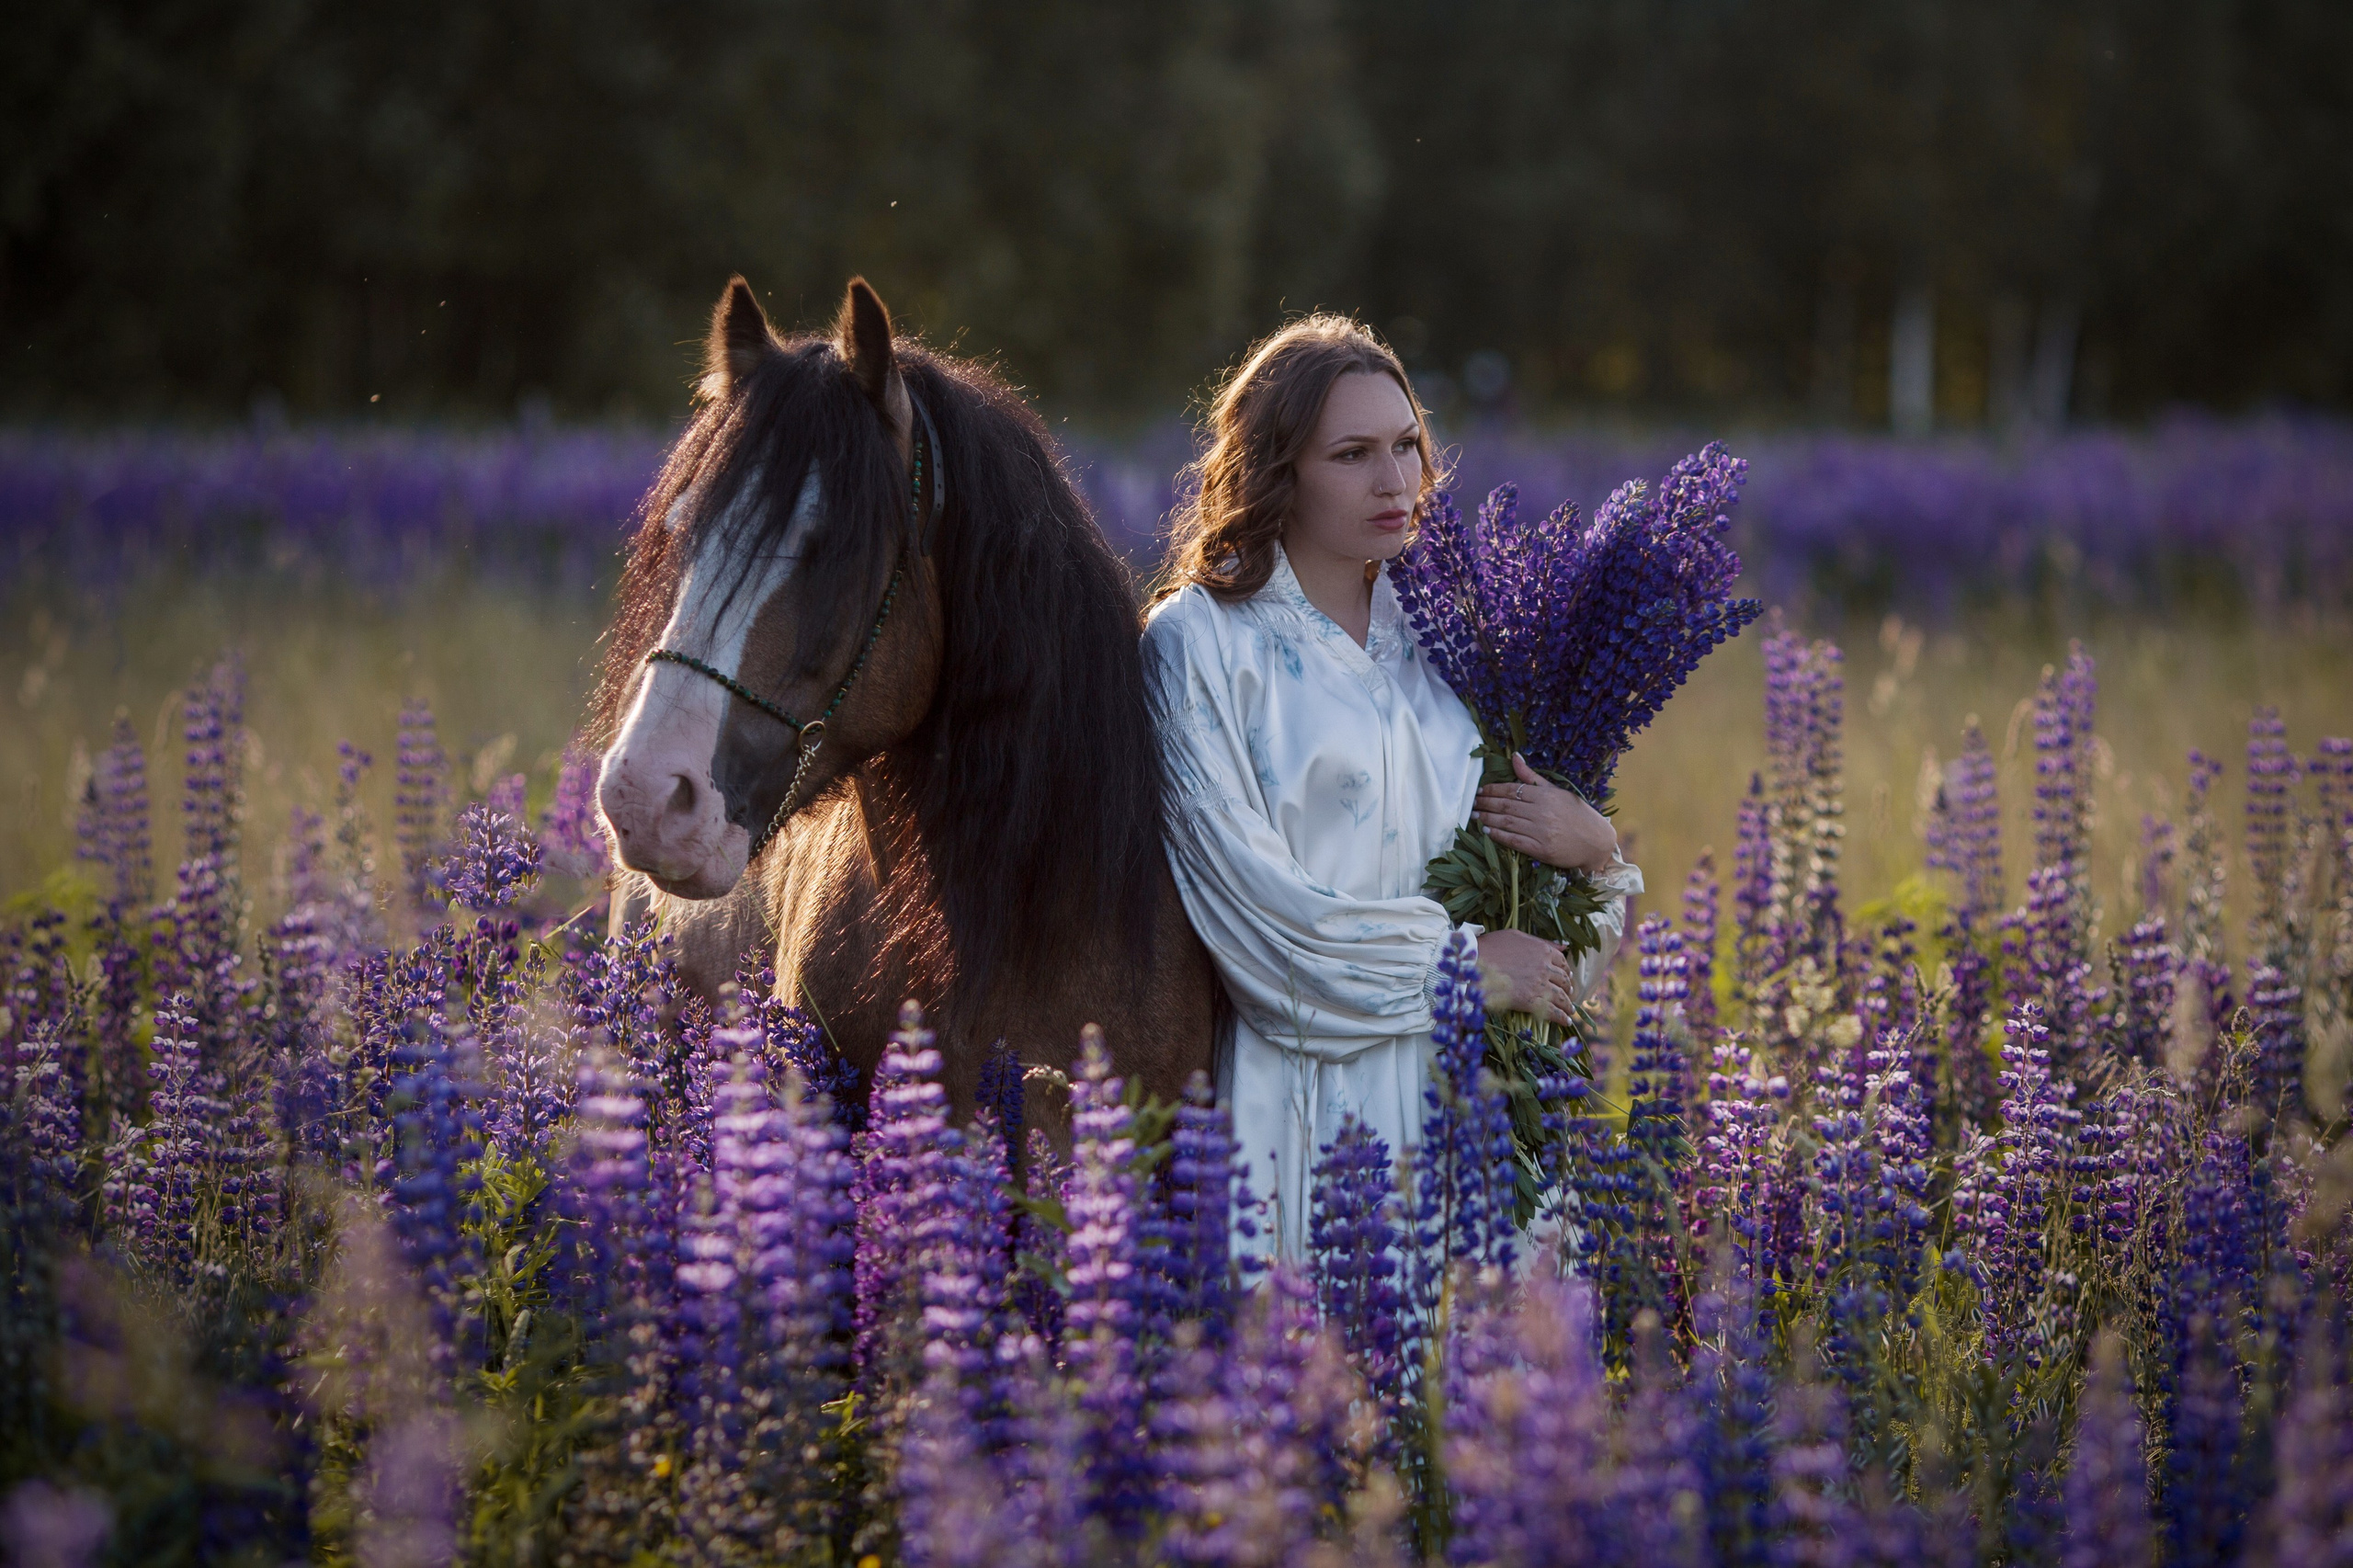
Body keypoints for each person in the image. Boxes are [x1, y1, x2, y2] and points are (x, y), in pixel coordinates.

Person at [1142, 315, 1643, 1263]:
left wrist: (1595, 855)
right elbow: (1257, 918)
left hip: (1481, 1109)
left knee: (1497, 1356)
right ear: (1276, 469)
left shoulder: (1462, 639)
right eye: (1352, 454)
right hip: (1302, 1108)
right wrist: (1461, 966)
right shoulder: (1198, 643)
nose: (1395, 480)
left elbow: (1548, 960)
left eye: (1408, 444)